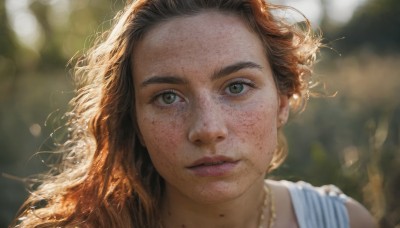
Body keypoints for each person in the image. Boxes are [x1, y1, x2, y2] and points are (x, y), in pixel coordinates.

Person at [12, 0, 376, 227]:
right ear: (135, 121)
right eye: (168, 97)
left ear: (282, 102)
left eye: (236, 87)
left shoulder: (344, 221)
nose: (207, 129)